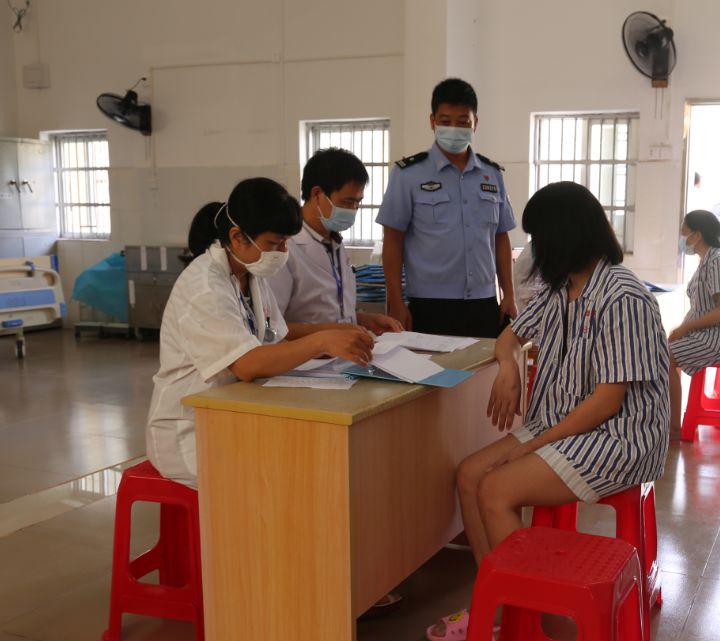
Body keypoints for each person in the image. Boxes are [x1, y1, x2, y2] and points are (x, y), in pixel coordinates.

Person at [423, 182, 670, 641]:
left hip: (617, 435)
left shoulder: (623, 297)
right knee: (470, 474)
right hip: (562, 420)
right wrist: (510, 365)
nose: (533, 251)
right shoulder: (564, 287)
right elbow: (509, 334)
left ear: (565, 238)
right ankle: (498, 597)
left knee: (497, 489)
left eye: (538, 240)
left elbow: (605, 402)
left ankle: (523, 618)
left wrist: (530, 447)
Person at [146, 178, 374, 490]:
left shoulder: (249, 273)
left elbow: (276, 336)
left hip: (232, 410)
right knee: (277, 477)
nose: (282, 253)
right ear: (237, 236)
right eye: (273, 244)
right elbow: (247, 364)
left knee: (310, 458)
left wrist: (334, 330)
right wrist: (322, 340)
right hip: (189, 429)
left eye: (285, 244)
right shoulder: (204, 287)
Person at [376, 77, 518, 337]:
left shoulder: (492, 174)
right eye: (445, 120)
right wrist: (395, 301)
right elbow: (393, 240)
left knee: (483, 375)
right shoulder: (408, 174)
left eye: (463, 121)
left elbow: (501, 238)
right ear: (432, 121)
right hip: (429, 305)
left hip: (483, 303)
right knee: (430, 376)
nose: (454, 128)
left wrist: (508, 294)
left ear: (475, 123)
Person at [267, 148, 403, 335]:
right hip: (306, 361)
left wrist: (364, 320)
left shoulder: (333, 241)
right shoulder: (283, 247)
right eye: (347, 202)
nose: (354, 209)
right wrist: (332, 332)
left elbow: (331, 310)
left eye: (358, 202)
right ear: (317, 194)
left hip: (339, 356)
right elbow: (271, 329)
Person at [668, 210, 720, 436]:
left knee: (665, 357)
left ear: (697, 235)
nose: (681, 237)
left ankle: (674, 426)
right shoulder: (708, 261)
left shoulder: (718, 262)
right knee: (662, 352)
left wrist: (685, 329)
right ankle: (671, 421)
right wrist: (680, 331)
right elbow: (701, 308)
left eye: (683, 231)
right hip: (713, 332)